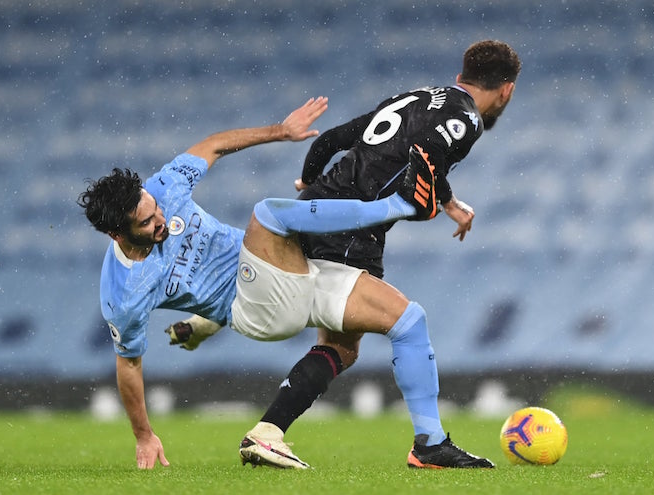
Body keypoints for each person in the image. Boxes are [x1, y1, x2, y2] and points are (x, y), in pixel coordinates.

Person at [79, 97, 494, 470]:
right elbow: (128, 366)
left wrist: (282, 131)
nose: (160, 222)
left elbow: (213, 145)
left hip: (283, 270)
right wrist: (143, 434)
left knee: (404, 320)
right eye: (146, 223)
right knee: (268, 216)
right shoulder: (123, 291)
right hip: (255, 307)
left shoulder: (162, 189)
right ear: (117, 234)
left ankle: (429, 445)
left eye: (154, 210)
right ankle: (398, 206)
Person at [167, 39, 521, 469]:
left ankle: (258, 409)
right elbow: (424, 153)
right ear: (507, 90)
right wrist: (418, 203)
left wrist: (310, 184)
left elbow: (334, 139)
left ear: (461, 73)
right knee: (407, 322)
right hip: (354, 231)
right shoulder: (467, 118)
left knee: (341, 345)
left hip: (321, 209)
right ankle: (429, 444)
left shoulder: (417, 97)